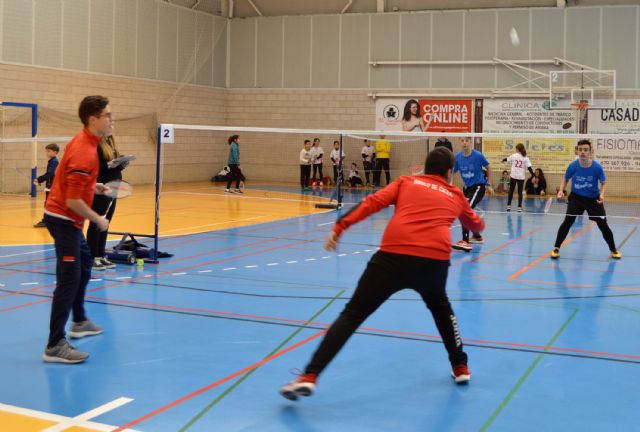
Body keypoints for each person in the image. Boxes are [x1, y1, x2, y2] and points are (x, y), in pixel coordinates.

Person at [279, 147, 485, 400]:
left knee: (352, 314)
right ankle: (460, 367)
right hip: (433, 261)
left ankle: (309, 376)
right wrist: (475, 220)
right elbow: (476, 224)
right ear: (449, 172)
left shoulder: (406, 182)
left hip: (392, 258)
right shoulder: (455, 194)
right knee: (441, 308)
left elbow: (372, 202)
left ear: (426, 166)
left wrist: (340, 226)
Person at [42, 95, 113, 363]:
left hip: (67, 217)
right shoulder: (85, 150)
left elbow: (73, 180)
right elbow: (72, 200)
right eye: (108, 115)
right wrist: (98, 219)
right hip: (63, 219)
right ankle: (54, 344)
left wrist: (92, 187)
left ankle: (79, 321)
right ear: (93, 119)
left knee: (84, 264)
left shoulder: (87, 141)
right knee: (69, 279)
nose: (111, 120)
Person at [550, 139, 621, 260]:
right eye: (580, 149)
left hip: (593, 199)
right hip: (576, 198)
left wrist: (602, 195)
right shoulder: (573, 165)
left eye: (585, 150)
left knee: (603, 225)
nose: (583, 152)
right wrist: (561, 190)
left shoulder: (597, 167)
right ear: (577, 151)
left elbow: (603, 183)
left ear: (590, 152)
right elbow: (565, 178)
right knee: (568, 222)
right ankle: (556, 248)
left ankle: (613, 249)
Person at [86, 136, 128, 270]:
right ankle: (92, 257)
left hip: (114, 187)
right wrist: (108, 165)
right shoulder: (96, 145)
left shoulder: (111, 144)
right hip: (101, 187)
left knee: (106, 223)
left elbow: (113, 169)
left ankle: (101, 255)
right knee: (97, 222)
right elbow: (93, 166)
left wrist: (121, 165)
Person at [452, 137, 493, 251]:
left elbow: (488, 166)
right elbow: (453, 171)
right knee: (468, 211)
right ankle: (477, 236)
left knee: (465, 211)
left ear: (470, 142)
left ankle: (465, 241)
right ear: (459, 142)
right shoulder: (458, 157)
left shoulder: (478, 155)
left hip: (478, 187)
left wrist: (488, 184)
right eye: (462, 140)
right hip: (467, 188)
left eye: (466, 140)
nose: (464, 143)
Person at [33, 143, 60, 228]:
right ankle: (48, 221)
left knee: (49, 204)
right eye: (46, 151)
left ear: (55, 152)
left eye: (49, 151)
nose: (47, 153)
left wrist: (39, 179)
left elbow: (50, 173)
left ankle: (46, 221)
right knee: (48, 204)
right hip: (50, 186)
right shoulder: (52, 161)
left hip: (52, 187)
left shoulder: (54, 161)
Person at [502, 143, 534, 212]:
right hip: (520, 177)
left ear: (517, 149)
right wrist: (533, 175)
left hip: (513, 175)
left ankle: (508, 206)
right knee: (520, 192)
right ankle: (519, 207)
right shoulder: (525, 157)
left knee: (511, 191)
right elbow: (529, 168)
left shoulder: (514, 155)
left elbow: (507, 159)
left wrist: (503, 160)